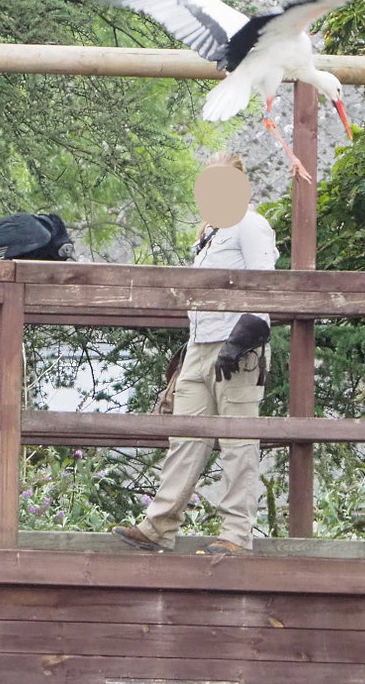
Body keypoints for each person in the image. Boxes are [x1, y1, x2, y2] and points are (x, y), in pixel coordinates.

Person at [112, 151, 278, 555]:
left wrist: (239, 341)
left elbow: (264, 284)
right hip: (200, 346)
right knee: (185, 438)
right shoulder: (208, 235)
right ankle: (159, 525)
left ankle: (237, 534)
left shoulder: (251, 226)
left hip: (240, 346)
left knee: (239, 441)